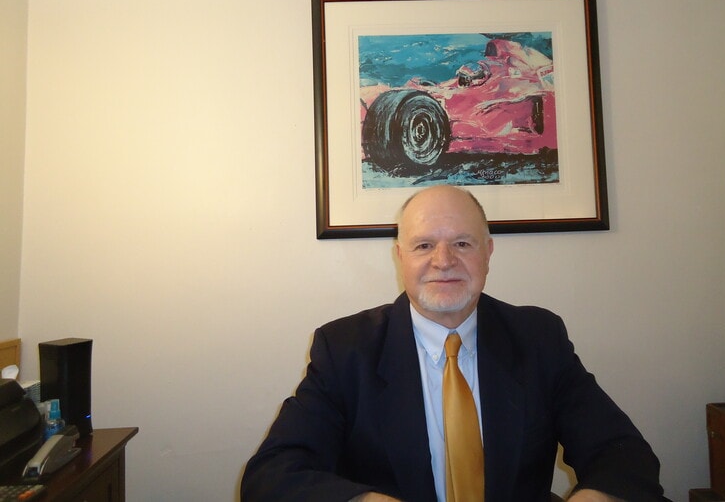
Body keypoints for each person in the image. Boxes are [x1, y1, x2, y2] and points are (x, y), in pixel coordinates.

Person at [241, 185, 666, 502]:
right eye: (424, 245)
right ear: (400, 257)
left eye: (462, 243)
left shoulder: (538, 338)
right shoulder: (345, 348)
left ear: (488, 253)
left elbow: (623, 453)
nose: (443, 261)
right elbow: (272, 474)